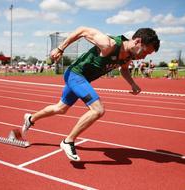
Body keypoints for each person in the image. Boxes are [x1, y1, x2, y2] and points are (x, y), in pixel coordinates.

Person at [22, 26, 160, 161]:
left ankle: (30, 118)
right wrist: (60, 48)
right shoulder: (109, 44)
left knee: (61, 108)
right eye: (145, 52)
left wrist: (133, 83)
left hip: (82, 79)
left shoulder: (128, 56)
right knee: (98, 110)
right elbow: (82, 30)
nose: (144, 57)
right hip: (75, 74)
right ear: (137, 42)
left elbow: (124, 70)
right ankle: (68, 141)